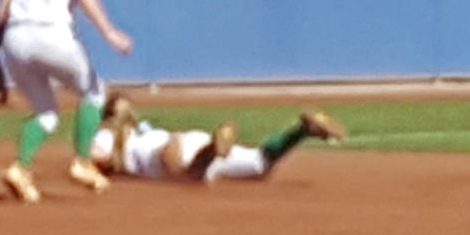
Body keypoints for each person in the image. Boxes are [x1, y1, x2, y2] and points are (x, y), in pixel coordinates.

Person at [0, 0, 133, 204]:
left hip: (15, 41)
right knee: (94, 93)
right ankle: (82, 162)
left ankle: (21, 168)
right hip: (52, 35)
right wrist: (109, 32)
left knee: (46, 113)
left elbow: (1, 12)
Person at [89, 92, 348, 183]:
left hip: (166, 153)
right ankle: (301, 131)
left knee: (189, 175)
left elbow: (96, 157)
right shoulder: (143, 127)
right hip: (188, 139)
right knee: (260, 164)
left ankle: (214, 148)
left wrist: (104, 168)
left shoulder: (107, 133)